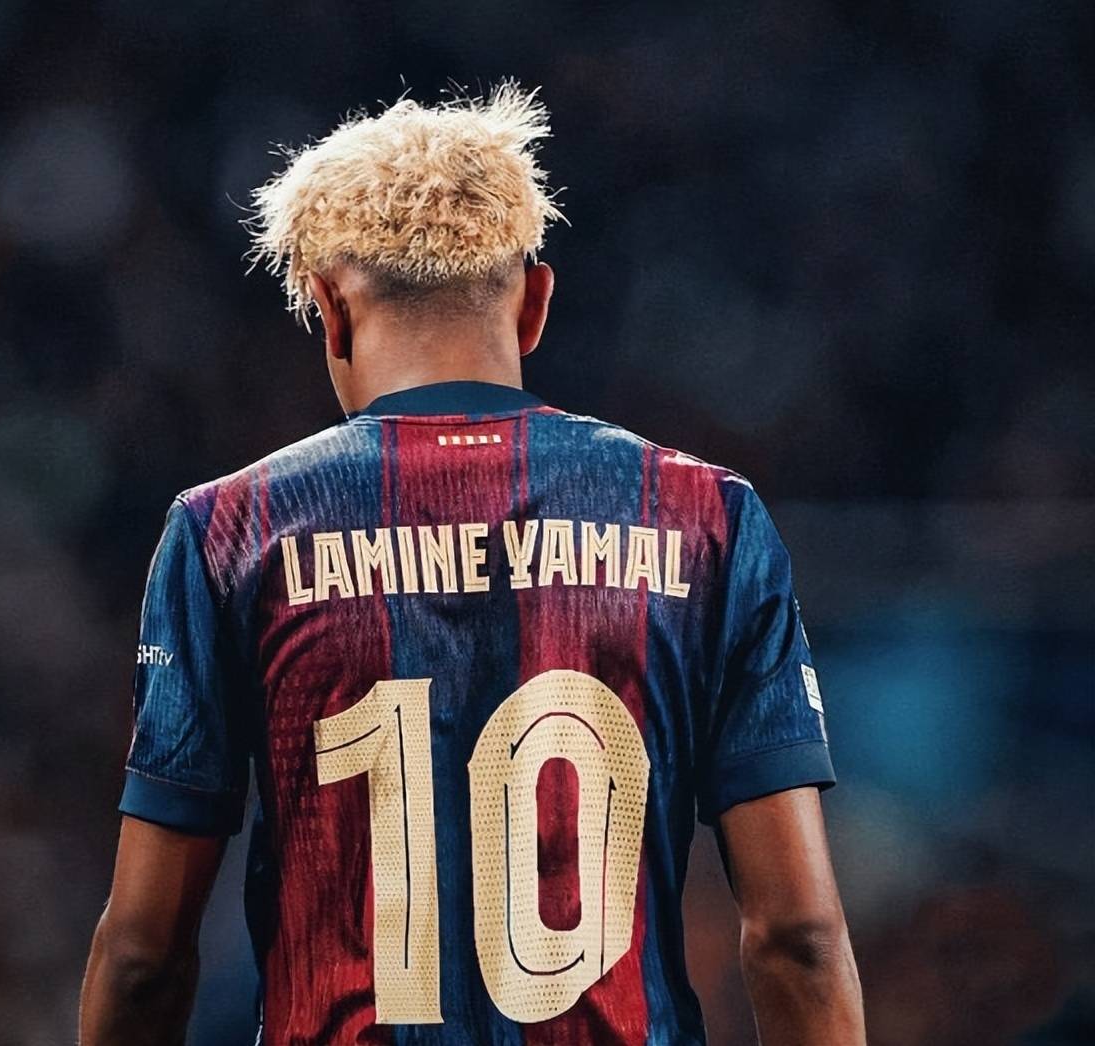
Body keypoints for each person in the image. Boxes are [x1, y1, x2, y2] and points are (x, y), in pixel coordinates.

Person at [79, 83, 865, 1045]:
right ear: (534, 303)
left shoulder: (231, 530)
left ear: (329, 308)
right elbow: (798, 938)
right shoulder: (705, 518)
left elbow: (145, 956)